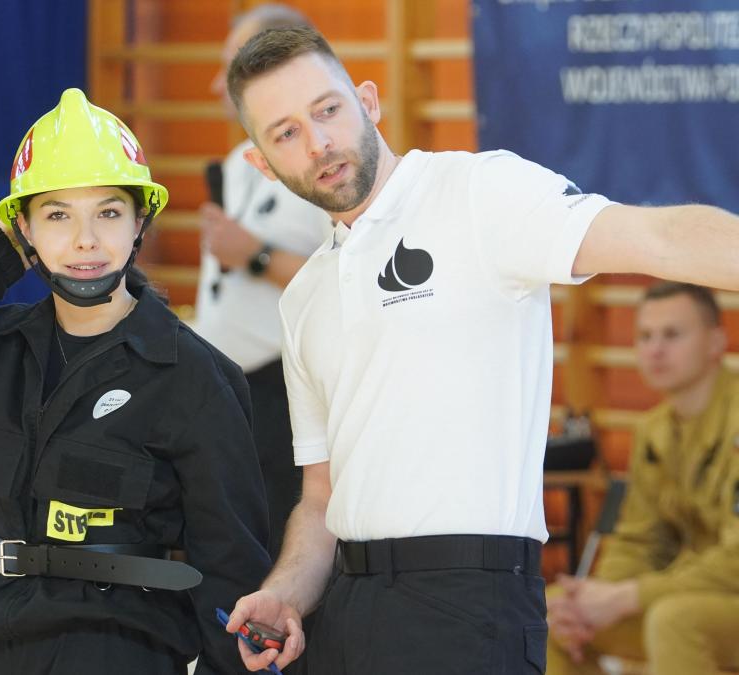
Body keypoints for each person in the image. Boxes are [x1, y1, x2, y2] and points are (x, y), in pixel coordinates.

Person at [218, 25, 739, 674]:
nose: (319, 142)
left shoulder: (478, 194)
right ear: (262, 163)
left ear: (368, 102)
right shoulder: (303, 300)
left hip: (470, 606)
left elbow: (659, 237)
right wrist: (287, 592)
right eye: (287, 133)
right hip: (348, 615)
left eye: (327, 110)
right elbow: (322, 498)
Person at [0, 88, 271, 675]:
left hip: (120, 647)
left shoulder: (194, 378)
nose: (85, 240)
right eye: (58, 215)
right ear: (25, 230)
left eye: (108, 213)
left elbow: (233, 571)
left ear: (140, 221)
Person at [194, 3, 332, 560]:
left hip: (284, 392)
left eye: (230, 63)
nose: (215, 84)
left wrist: (254, 255)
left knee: (281, 549)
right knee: (232, 547)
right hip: (227, 390)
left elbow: (347, 280)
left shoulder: (328, 158)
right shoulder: (238, 161)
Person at [546, 282, 739, 675]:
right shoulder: (653, 430)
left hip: (713, 597)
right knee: (553, 613)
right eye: (645, 336)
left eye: (672, 334)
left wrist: (628, 596)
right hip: (693, 591)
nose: (655, 349)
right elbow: (639, 540)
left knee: (675, 621)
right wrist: (598, 598)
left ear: (716, 342)